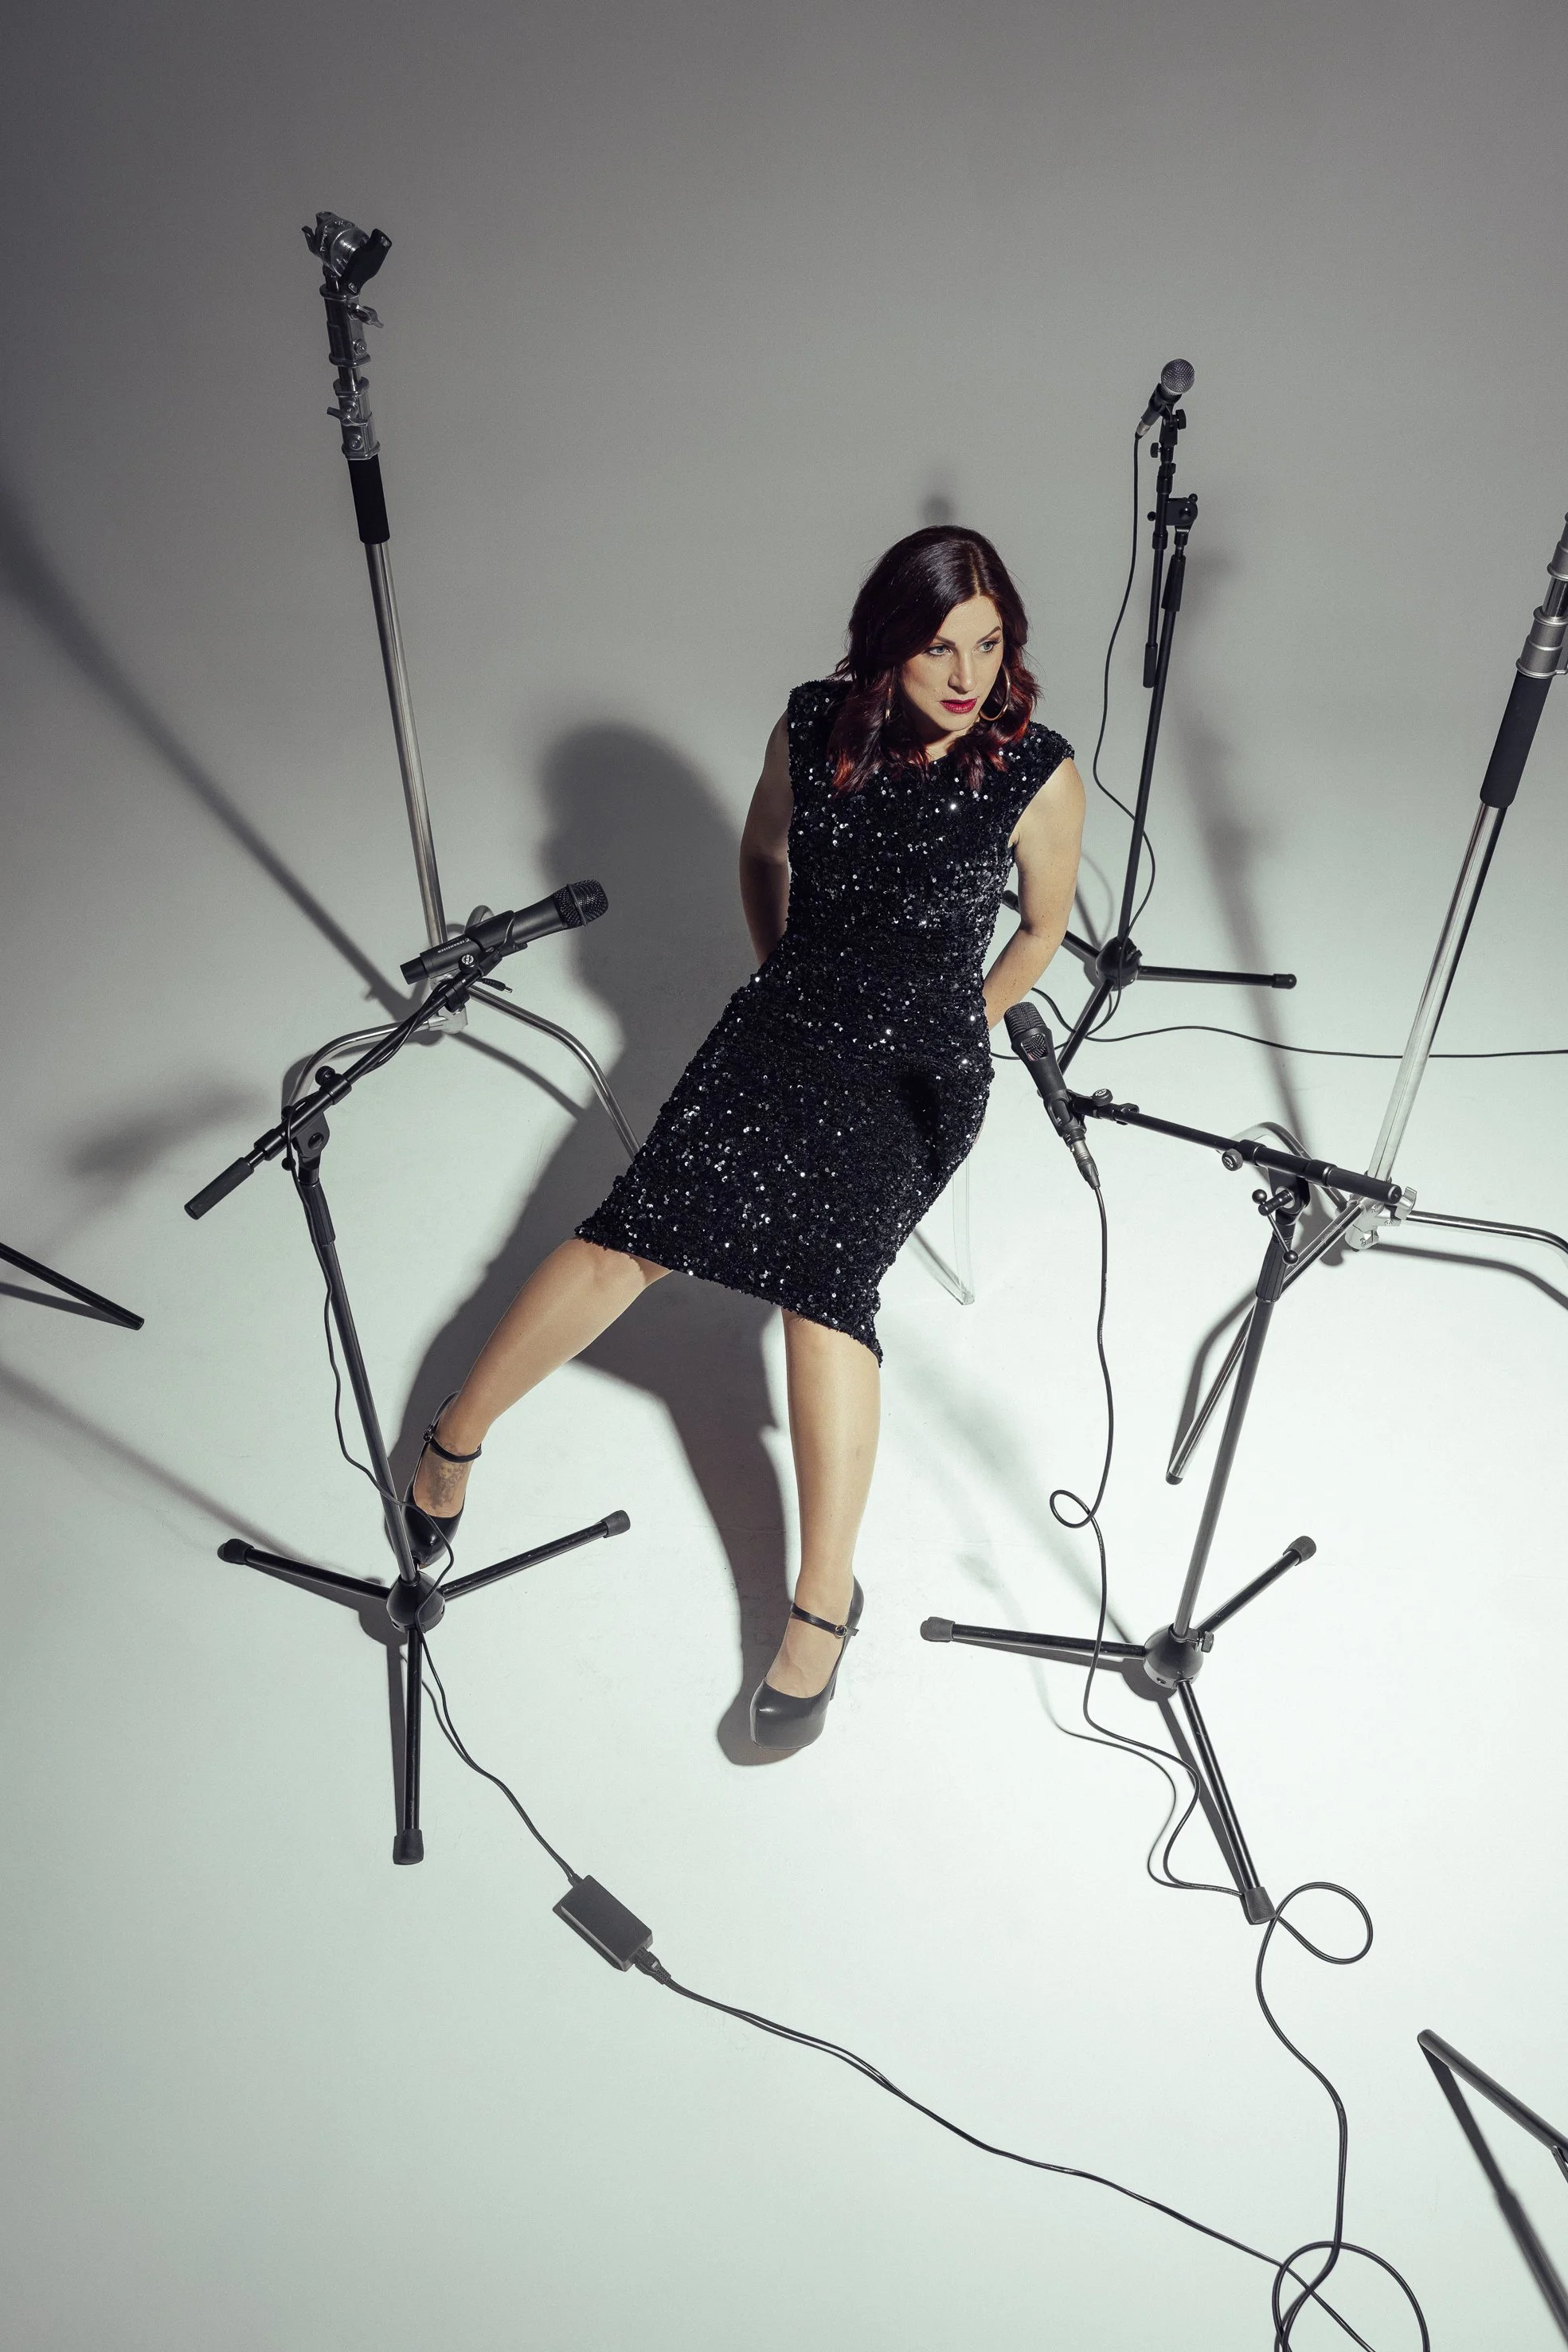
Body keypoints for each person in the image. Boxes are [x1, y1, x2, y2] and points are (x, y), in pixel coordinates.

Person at [403, 525, 1084, 1751]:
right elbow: (762, 849)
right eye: (939, 647)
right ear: (890, 644)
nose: (966, 675)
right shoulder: (813, 724)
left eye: (989, 646)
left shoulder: (1032, 770)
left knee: (827, 1293)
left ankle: (820, 1612)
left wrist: (957, 1019)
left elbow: (1040, 932)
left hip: (917, 1073)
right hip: (789, 1025)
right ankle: (450, 1445)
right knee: (633, 1232)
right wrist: (786, 978)